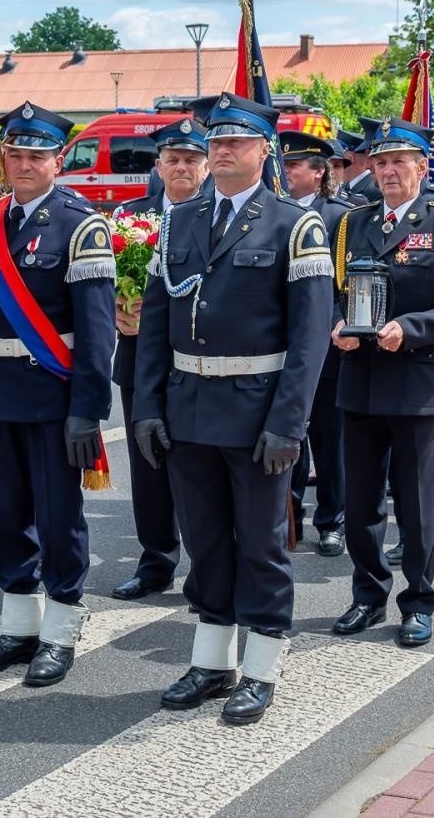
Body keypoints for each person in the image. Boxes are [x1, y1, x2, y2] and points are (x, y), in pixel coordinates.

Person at [131, 92, 330, 726]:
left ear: (263, 150)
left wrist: (288, 424)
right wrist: (147, 407)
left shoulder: (294, 225)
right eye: (215, 142)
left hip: (257, 414)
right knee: (207, 541)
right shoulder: (179, 221)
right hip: (190, 411)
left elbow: (307, 341)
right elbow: (157, 323)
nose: (221, 151)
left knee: (264, 545)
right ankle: (212, 661)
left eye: (236, 142)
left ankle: (263, 666)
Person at [0, 102, 117, 689]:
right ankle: (18, 626)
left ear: (58, 161)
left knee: (58, 518)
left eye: (36, 156)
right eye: (15, 154)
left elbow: (95, 330)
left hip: (53, 392)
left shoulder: (81, 226)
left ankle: (60, 629)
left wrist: (88, 410)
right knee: (4, 513)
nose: (24, 165)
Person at [330, 118, 434, 648]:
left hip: (416, 381)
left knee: (417, 504)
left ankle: (417, 601)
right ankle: (368, 595)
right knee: (362, 500)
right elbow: (335, 291)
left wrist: (411, 329)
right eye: (381, 161)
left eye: (399, 161)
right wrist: (338, 324)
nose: (388, 170)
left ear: (422, 167)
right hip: (360, 379)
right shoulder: (353, 222)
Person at [108, 119, 210, 600]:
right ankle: (155, 563)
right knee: (147, 467)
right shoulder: (131, 217)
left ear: (206, 167)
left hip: (197, 364)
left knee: (195, 467)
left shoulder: (218, 216)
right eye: (173, 159)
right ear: (158, 166)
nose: (182, 167)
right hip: (139, 361)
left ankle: (205, 565)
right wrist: (117, 311)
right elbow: (100, 280)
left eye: (192, 159)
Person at [280, 128, 360, 557]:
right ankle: (288, 514)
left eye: (294, 165)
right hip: (281, 344)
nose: (287, 171)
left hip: (327, 345)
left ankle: (332, 519)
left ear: (318, 172)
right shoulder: (273, 212)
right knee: (286, 435)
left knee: (330, 440)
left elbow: (342, 285)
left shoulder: (340, 216)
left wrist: (333, 324)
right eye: (285, 164)